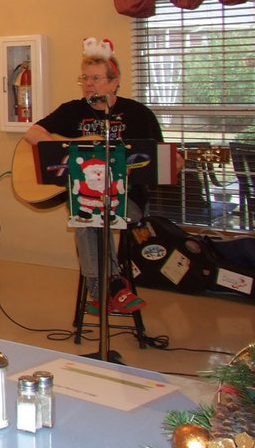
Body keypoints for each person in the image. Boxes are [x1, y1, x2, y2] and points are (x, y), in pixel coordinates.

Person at [22, 37, 163, 314]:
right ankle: (113, 288)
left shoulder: (137, 114)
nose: (89, 84)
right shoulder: (72, 111)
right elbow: (32, 133)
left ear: (114, 81)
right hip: (84, 196)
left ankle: (101, 290)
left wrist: (177, 160)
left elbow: (162, 156)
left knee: (88, 214)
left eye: (96, 78)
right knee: (88, 210)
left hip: (128, 200)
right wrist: (60, 148)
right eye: (85, 78)